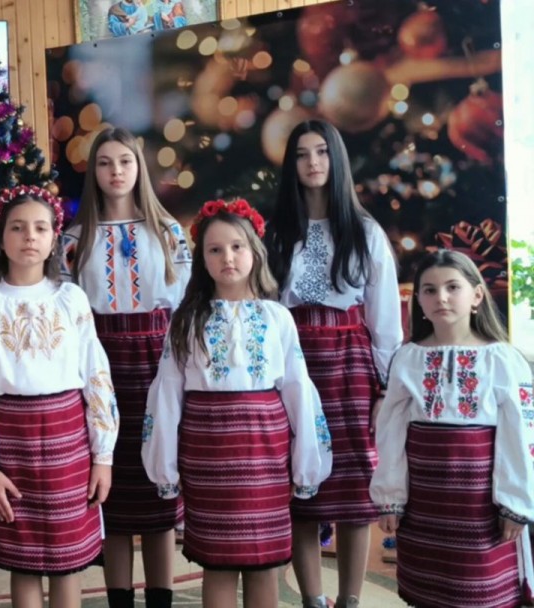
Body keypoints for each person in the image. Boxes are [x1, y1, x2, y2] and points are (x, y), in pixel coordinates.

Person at [143, 199, 332, 608]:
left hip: (265, 453)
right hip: (207, 454)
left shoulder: (277, 317)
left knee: (264, 563)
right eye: (215, 249)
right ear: (202, 259)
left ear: (255, 252)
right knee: (219, 564)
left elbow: (298, 389)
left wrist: (305, 461)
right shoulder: (186, 320)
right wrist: (165, 465)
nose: (227, 257)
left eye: (236, 246)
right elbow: (168, 394)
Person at [0, 185, 117, 608]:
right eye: (18, 227)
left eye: (40, 228)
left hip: (69, 442)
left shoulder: (71, 298)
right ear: (0, 238)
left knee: (68, 562)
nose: (29, 236)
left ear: (53, 239)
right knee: (24, 562)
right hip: (12, 443)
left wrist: (103, 455)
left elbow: (96, 376)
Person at [265, 119, 402, 608]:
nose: (313, 162)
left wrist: (386, 387)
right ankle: (312, 599)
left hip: (350, 365)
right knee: (302, 487)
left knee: (352, 492)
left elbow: (386, 319)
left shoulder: (365, 231)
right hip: (295, 362)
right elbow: (265, 308)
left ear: (336, 159)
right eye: (302, 154)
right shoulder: (276, 233)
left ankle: (350, 599)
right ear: (292, 165)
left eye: (322, 152)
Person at [61, 128, 190, 608]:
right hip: (100, 366)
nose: (115, 171)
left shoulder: (168, 232)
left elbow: (186, 304)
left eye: (125, 162)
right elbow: (64, 310)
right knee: (109, 493)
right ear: (93, 172)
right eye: (104, 163)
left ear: (139, 168)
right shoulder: (74, 239)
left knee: (158, 489)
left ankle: (161, 599)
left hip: (158, 365)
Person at [370, 249, 534, 608]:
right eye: (429, 290)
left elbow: (521, 435)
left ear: (477, 295)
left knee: (479, 592)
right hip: (424, 501)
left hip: (481, 504)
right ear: (418, 300)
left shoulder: (503, 359)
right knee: (429, 590)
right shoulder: (407, 358)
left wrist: (514, 503)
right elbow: (391, 434)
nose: (441, 297)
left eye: (452, 287)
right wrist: (390, 498)